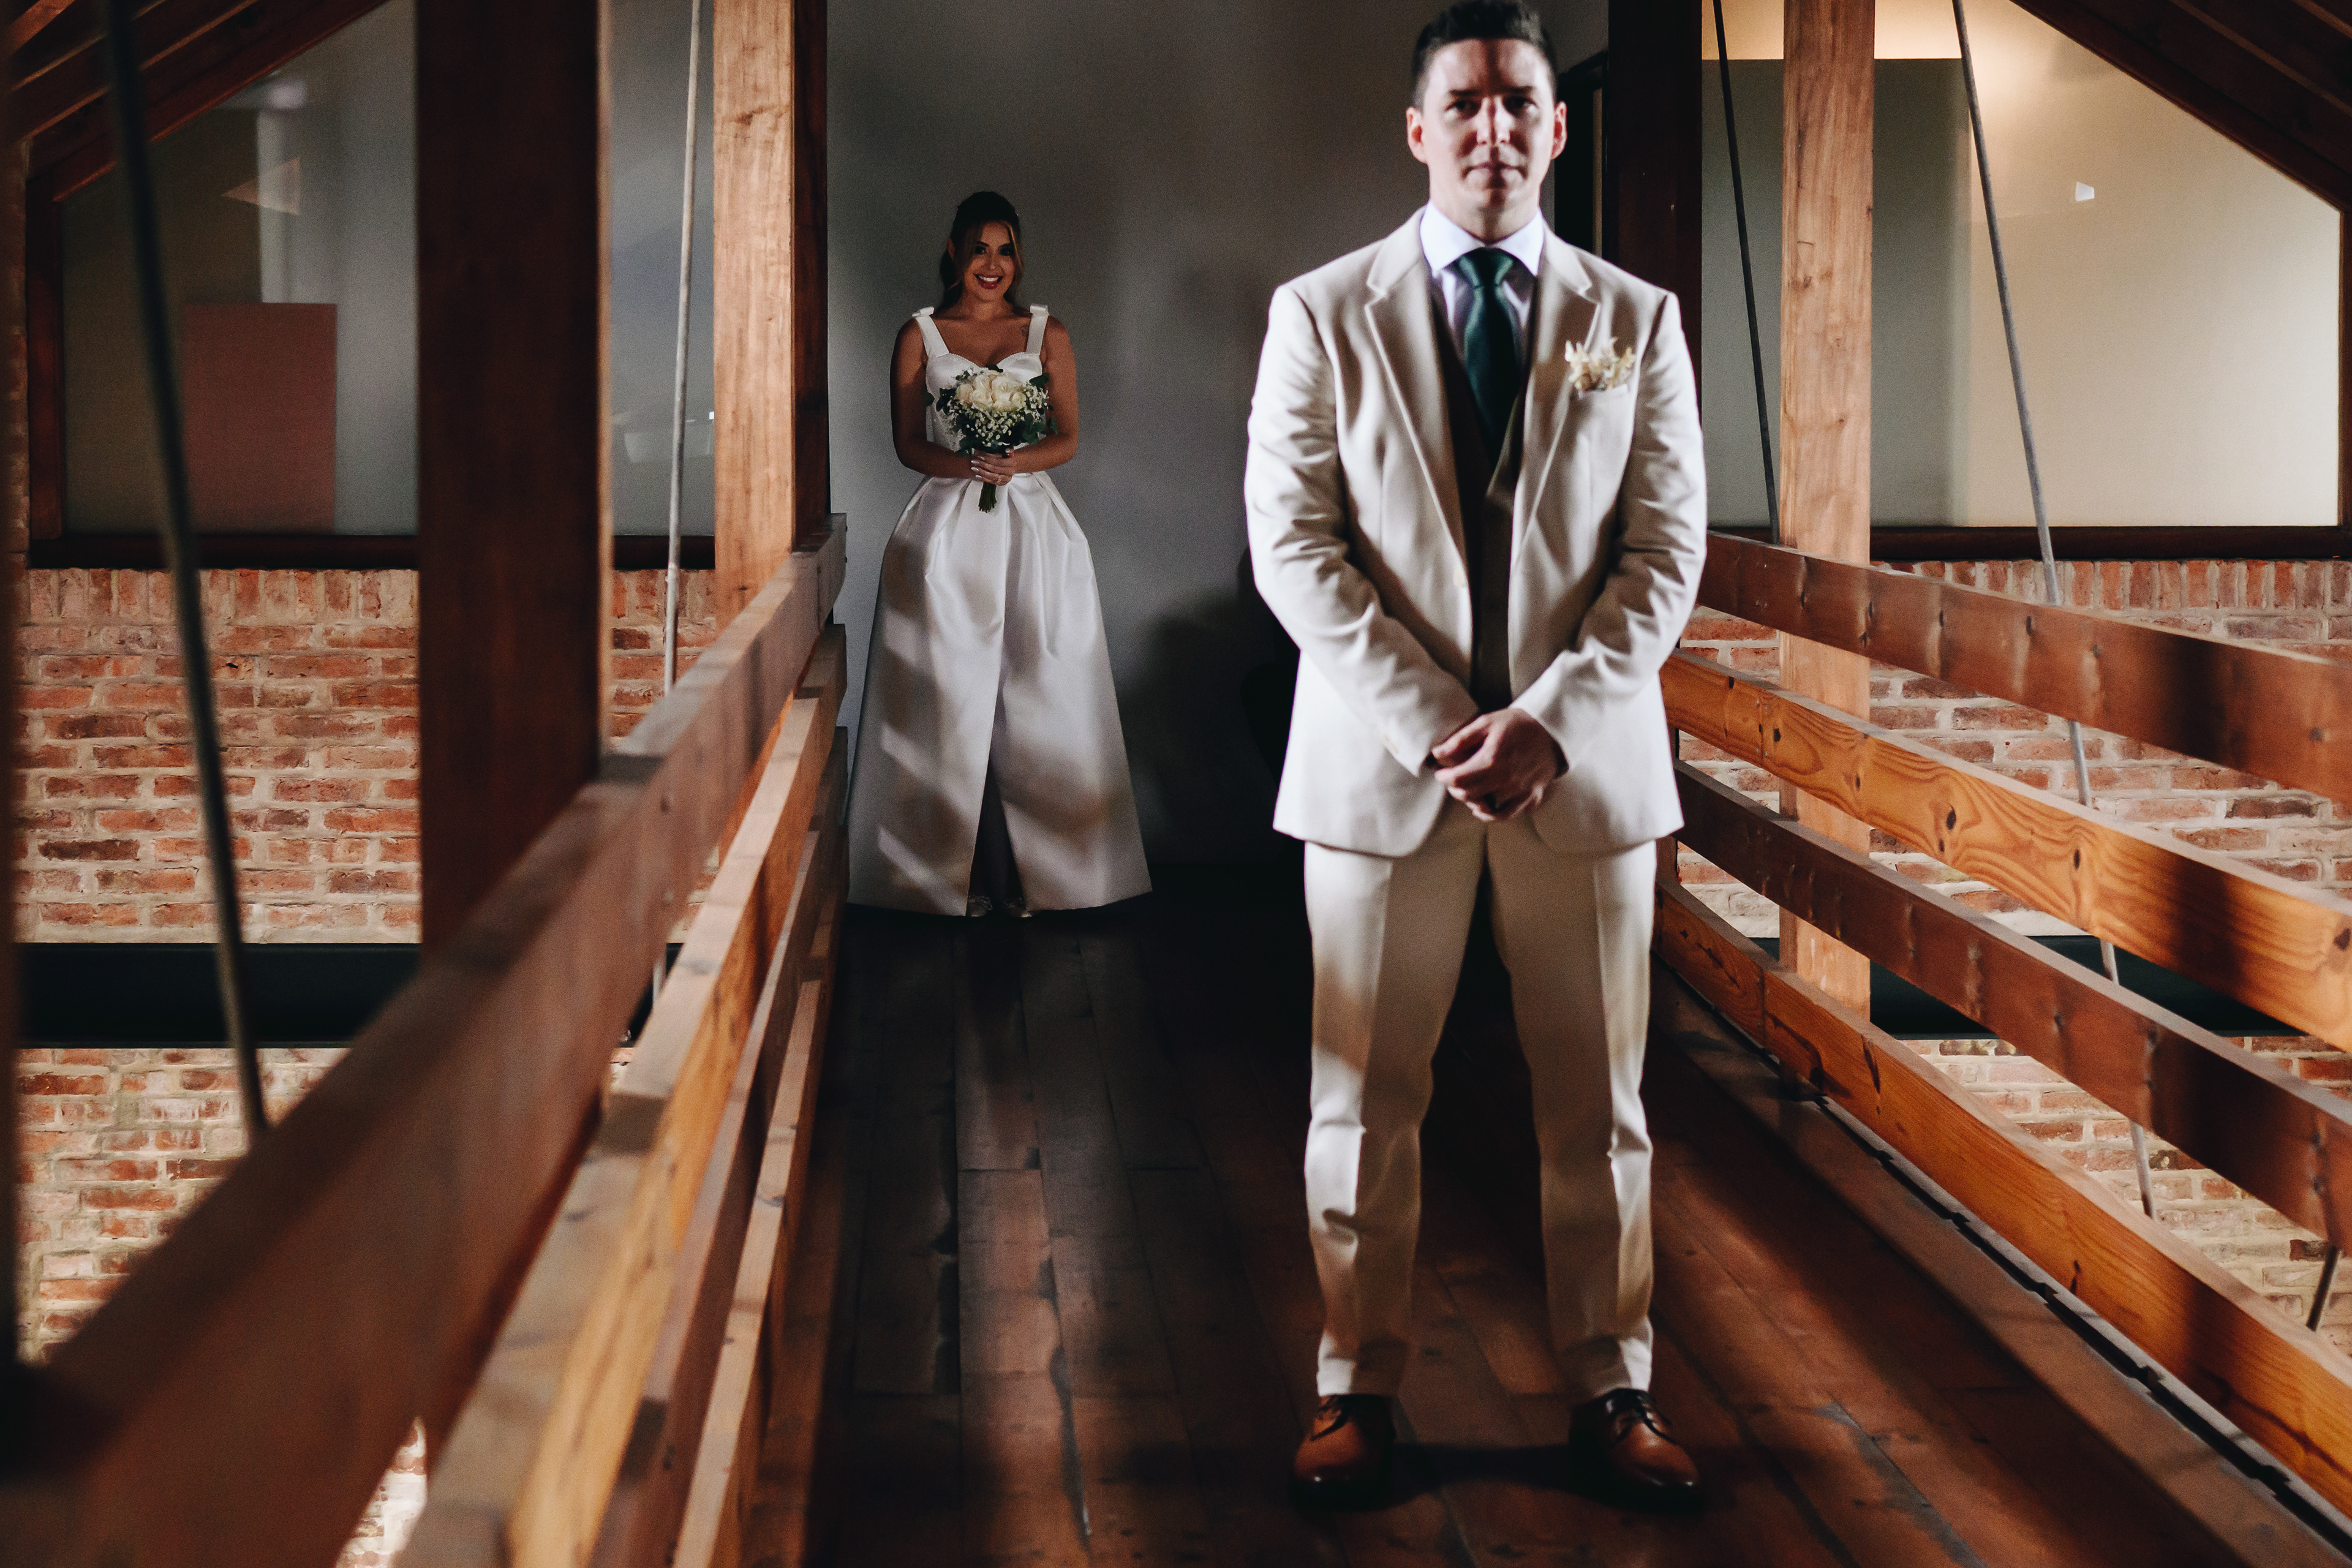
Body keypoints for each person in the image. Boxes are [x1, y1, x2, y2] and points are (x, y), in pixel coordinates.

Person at [1244, 1, 1708, 1512]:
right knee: (1361, 1098)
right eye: (1465, 103)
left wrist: (1552, 718)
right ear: (1418, 129)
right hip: (1385, 771)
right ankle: (1353, 1383)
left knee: (1601, 1105)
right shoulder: (1321, 312)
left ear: (1555, 128)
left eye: (1518, 103)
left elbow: (1665, 551)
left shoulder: (1633, 319)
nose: (1493, 129)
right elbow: (1293, 545)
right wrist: (1442, 723)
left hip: (1586, 771)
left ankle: (1613, 1381)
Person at [848, 192, 1150, 918]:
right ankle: (933, 882)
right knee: (943, 701)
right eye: (979, 248)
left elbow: (1066, 437)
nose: (993, 264)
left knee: (1047, 689)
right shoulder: (921, 334)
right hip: (945, 531)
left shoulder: (1047, 332)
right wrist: (969, 465)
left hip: (1034, 526)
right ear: (953, 252)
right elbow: (908, 443)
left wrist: (1013, 463)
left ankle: (1054, 881)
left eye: (1006, 250)